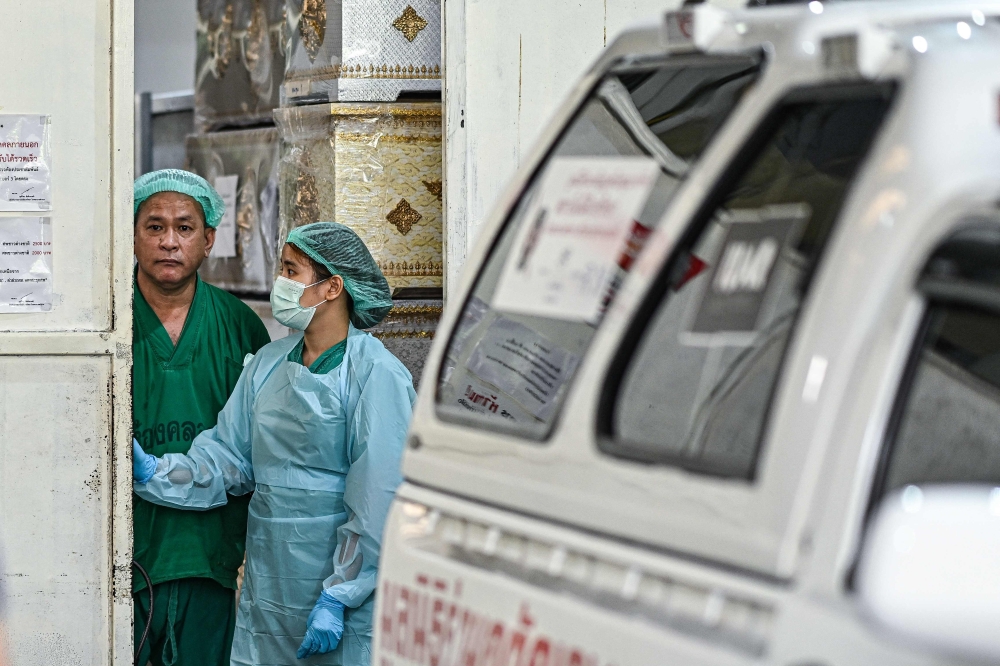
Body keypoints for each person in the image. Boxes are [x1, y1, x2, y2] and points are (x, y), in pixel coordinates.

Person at [132, 222, 415, 666]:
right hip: (269, 584)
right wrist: (157, 472)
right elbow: (229, 457)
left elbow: (379, 497)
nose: (279, 283)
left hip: (339, 598)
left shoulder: (375, 373)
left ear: (332, 287)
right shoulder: (267, 365)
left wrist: (341, 595)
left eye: (291, 270)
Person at [131, 170, 272, 666]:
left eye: (185, 227)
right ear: (131, 235)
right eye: (154, 226)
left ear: (209, 238)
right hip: (124, 557)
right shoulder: (108, 322)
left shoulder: (239, 326)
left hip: (209, 557)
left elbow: (261, 448)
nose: (169, 241)